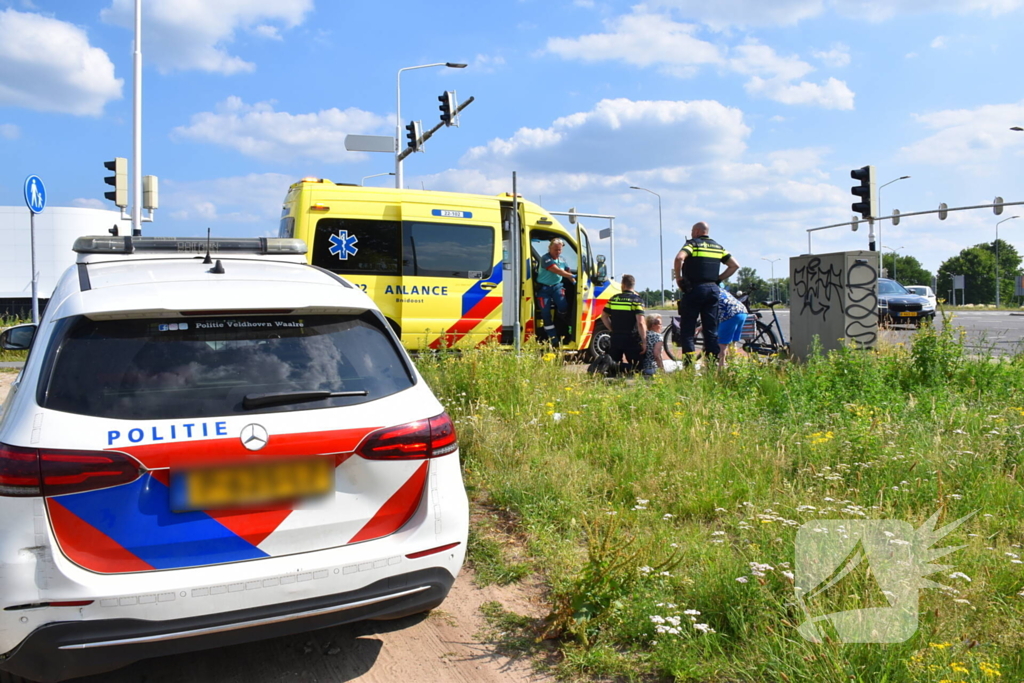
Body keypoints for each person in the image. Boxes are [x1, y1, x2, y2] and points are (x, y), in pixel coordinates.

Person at [672, 222, 739, 365]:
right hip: (713, 290)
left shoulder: (693, 244)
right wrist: (718, 279)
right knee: (711, 329)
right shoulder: (718, 247)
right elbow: (734, 265)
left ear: (696, 231)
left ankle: (689, 365)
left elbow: (679, 258)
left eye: (691, 231)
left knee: (688, 330)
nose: (691, 234)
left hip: (694, 289)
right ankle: (712, 363)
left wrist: (679, 278)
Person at [600, 274, 646, 375]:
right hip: (632, 338)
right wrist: (644, 341)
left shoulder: (613, 299)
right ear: (633, 285)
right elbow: (641, 323)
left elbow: (604, 316)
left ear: (623, 285)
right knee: (639, 368)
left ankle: (616, 368)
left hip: (616, 337)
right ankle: (623, 370)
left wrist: (612, 329)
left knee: (612, 367)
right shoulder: (636, 300)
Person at [537, 238, 576, 346]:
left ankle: (560, 321)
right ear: (549, 248)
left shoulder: (562, 259)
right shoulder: (545, 258)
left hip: (557, 287)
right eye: (555, 250)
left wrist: (574, 282)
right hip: (544, 289)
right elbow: (557, 270)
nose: (557, 252)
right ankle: (553, 339)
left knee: (563, 307)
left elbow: (567, 271)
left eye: (559, 250)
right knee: (545, 314)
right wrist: (571, 276)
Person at [716, 287, 748, 367]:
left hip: (729, 314)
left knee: (722, 344)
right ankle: (733, 365)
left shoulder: (705, 291)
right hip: (742, 311)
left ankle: (721, 369)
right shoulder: (720, 289)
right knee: (733, 343)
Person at [641, 313, 666, 378]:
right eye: (660, 324)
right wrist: (662, 371)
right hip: (653, 367)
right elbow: (657, 355)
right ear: (653, 325)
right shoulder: (657, 337)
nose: (661, 326)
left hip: (643, 366)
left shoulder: (644, 335)